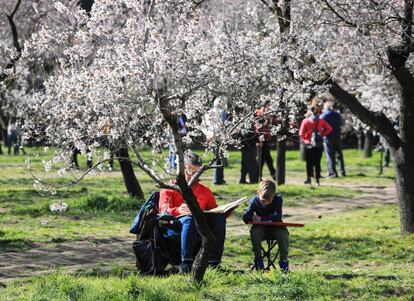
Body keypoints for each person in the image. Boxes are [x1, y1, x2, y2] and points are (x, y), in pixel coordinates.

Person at [158, 150, 226, 274]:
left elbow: (213, 211)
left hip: (200, 223)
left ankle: (214, 263)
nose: (194, 176)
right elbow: (163, 211)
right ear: (183, 169)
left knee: (219, 219)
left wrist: (226, 211)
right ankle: (186, 263)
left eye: (197, 173)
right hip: (177, 223)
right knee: (190, 220)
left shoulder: (205, 191)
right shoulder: (170, 188)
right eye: (191, 172)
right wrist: (178, 210)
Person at [242, 179, 289, 271]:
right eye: (263, 201)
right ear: (258, 193)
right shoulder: (254, 200)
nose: (265, 203)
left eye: (268, 201)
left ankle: (284, 261)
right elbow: (245, 217)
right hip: (261, 228)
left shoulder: (278, 199)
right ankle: (258, 261)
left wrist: (262, 218)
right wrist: (252, 218)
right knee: (254, 231)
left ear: (273, 195)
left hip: (276, 227)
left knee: (283, 233)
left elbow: (277, 216)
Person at [299, 106, 332, 186]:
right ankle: (317, 180)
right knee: (317, 162)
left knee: (309, 162)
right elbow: (329, 128)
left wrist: (306, 140)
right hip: (319, 144)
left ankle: (309, 179)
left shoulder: (305, 121)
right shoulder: (320, 120)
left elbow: (301, 133)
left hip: (309, 144)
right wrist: (322, 134)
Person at [202, 97, 229, 185]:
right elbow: (223, 125)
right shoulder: (222, 113)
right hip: (218, 138)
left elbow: (203, 126)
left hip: (210, 137)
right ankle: (218, 179)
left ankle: (220, 178)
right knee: (219, 158)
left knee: (218, 158)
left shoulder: (208, 113)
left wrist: (208, 135)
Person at [320, 101, 346, 177]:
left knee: (330, 155)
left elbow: (321, 127)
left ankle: (333, 172)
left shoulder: (323, 116)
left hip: (328, 137)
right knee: (339, 155)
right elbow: (341, 124)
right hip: (337, 136)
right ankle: (343, 171)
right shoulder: (337, 115)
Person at [255, 103, 276, 181]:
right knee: (261, 159)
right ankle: (257, 176)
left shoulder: (267, 115)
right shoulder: (259, 115)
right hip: (261, 141)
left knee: (268, 159)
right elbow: (258, 129)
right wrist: (259, 140)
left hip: (266, 140)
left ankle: (274, 174)